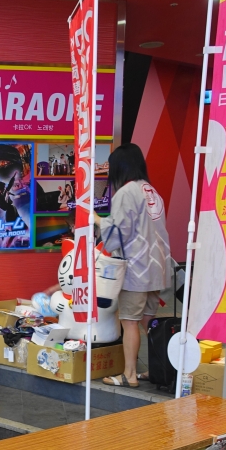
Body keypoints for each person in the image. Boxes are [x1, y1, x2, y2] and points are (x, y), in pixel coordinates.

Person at [95, 143, 172, 388]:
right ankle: (156, 370)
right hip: (157, 268)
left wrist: (96, 219)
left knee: (129, 321)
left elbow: (117, 231)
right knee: (149, 322)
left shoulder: (127, 192)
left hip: (136, 269)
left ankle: (128, 374)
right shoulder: (152, 191)